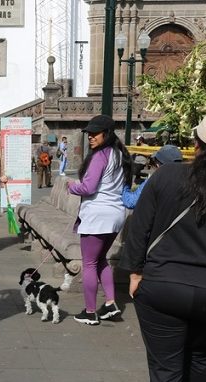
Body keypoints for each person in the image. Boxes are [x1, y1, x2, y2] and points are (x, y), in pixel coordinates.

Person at [119, 110, 206, 382]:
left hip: (162, 285)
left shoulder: (168, 177)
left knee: (165, 371)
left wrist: (134, 272)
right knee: (200, 355)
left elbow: (138, 228)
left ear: (198, 144)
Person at [67, 115, 132, 325]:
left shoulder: (100, 156)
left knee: (89, 264)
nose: (91, 137)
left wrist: (71, 186)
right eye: (89, 133)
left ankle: (90, 312)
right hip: (115, 216)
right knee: (101, 259)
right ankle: (111, 303)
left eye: (95, 133)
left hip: (96, 216)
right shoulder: (120, 155)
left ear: (108, 133)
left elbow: (88, 187)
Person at [122, 144, 183, 209]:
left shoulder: (154, 182)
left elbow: (130, 202)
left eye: (155, 162)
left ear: (158, 165)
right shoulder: (189, 181)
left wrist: (125, 183)